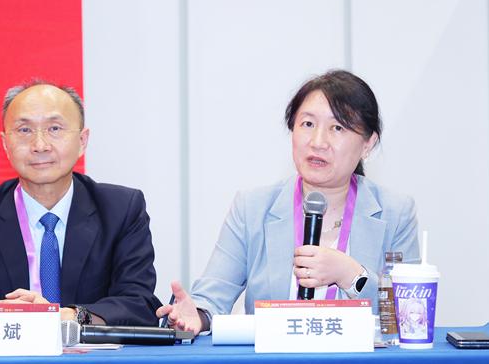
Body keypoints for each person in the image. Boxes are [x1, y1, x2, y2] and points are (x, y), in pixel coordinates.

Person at [157, 69, 419, 334]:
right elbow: (212, 296)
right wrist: (197, 316)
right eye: (308, 124)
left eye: (337, 128)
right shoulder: (252, 208)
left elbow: (409, 314)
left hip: (356, 361)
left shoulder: (395, 213)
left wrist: (351, 275)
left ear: (368, 144)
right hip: (274, 360)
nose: (318, 142)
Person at [0, 80, 160, 339]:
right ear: (5, 144)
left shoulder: (121, 209)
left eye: (54, 128)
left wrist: (69, 316)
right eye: (24, 130)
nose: (40, 145)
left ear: (82, 140)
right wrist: (2, 320)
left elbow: (139, 304)